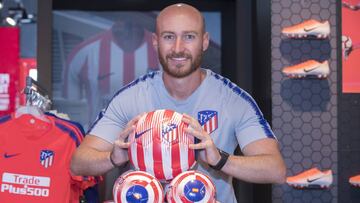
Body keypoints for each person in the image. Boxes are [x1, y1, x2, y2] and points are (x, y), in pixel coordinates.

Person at [70, 3, 286, 202]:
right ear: (155, 41)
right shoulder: (130, 97)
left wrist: (219, 159)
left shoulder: (233, 99)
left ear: (205, 41)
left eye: (189, 37)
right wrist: (114, 157)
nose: (178, 48)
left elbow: (275, 169)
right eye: (168, 37)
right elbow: (79, 163)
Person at [62, 15, 160, 129]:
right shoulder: (82, 53)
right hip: (99, 139)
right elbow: (71, 110)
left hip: (155, 140)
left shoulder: (167, 53)